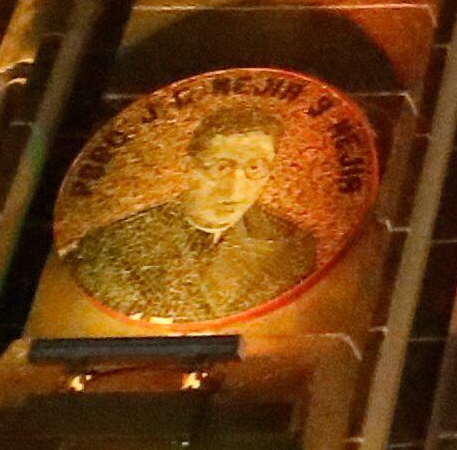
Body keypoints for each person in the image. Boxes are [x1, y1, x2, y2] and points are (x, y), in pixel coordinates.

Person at [67, 106, 327, 325]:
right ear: (189, 168)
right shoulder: (113, 245)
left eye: (254, 168)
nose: (235, 189)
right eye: (221, 167)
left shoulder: (293, 245)